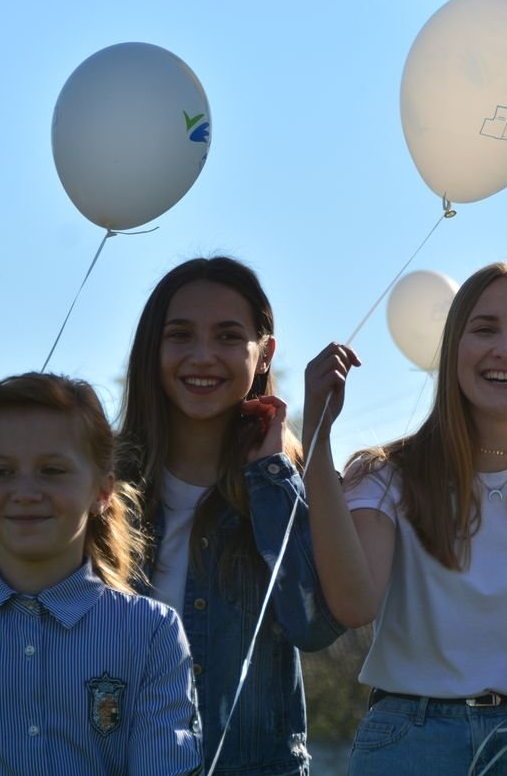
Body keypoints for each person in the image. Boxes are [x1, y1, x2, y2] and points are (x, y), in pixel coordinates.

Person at [301, 261, 507, 775]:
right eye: (484, 329)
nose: (505, 348)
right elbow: (354, 604)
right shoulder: (386, 475)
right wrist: (317, 435)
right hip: (408, 741)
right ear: (453, 353)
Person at [0, 372, 202, 775]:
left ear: (102, 492)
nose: (26, 492)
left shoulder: (150, 633)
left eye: (52, 470)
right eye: (2, 471)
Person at [117, 256, 344, 774]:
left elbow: (314, 625)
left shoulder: (288, 483)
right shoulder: (101, 487)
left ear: (264, 354)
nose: (203, 356)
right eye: (180, 335)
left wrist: (270, 479)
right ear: (153, 349)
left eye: (227, 336)